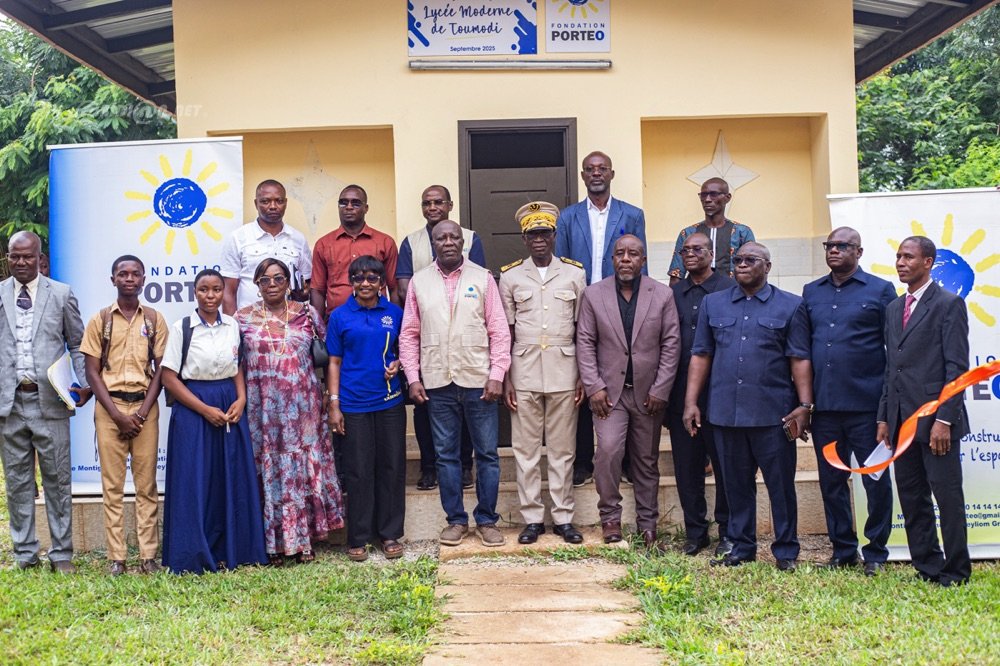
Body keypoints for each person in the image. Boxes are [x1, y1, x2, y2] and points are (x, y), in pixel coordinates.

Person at [684, 242, 812, 571]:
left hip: (774, 415)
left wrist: (805, 405)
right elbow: (701, 355)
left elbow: (799, 358)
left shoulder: (791, 305)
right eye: (738, 260)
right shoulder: (714, 304)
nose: (742, 265)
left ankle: (786, 551)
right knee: (736, 486)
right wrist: (691, 402)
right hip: (726, 413)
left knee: (780, 487)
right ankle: (742, 547)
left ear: (767, 267)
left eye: (750, 260)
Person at [399, 220, 512, 547]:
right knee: (446, 455)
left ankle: (487, 519)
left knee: (487, 454)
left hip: (479, 381)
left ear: (463, 242)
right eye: (441, 237)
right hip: (437, 382)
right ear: (433, 242)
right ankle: (456, 520)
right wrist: (412, 377)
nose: (448, 242)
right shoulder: (420, 281)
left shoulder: (483, 278)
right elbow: (408, 335)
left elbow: (499, 331)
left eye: (454, 237)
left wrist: (497, 375)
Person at [235, 259, 344, 566]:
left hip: (303, 407)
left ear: (288, 282)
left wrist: (329, 396)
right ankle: (272, 544)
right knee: (270, 472)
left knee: (300, 473)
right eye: (265, 280)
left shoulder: (306, 313)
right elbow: (234, 364)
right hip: (262, 411)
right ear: (256, 284)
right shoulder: (241, 319)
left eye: (278, 278)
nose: (272, 285)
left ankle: (303, 541)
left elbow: (327, 355)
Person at [160, 269, 268, 574]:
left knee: (228, 475)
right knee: (195, 478)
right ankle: (193, 552)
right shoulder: (183, 327)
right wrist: (204, 410)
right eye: (204, 290)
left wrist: (241, 399)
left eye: (217, 290)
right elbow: (169, 377)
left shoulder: (232, 325)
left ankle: (230, 549)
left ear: (224, 292)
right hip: (193, 405)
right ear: (195, 292)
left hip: (228, 402)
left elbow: (237, 366)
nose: (211, 296)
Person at [877, 236, 971, 587]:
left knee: (948, 499)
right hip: (902, 424)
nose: (900, 262)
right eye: (898, 256)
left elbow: (957, 369)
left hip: (936, 424)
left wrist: (944, 419)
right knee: (912, 497)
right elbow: (892, 368)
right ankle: (928, 566)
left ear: (928, 262)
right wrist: (885, 417)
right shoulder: (893, 308)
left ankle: (957, 571)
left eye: (908, 257)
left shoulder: (948, 304)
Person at [576, 235, 680, 549]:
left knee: (646, 461)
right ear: (612, 259)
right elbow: (584, 343)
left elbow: (671, 344)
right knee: (607, 452)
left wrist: (661, 389)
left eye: (633, 253)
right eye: (620, 253)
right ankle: (610, 518)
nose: (625, 258)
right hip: (609, 395)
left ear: (643, 260)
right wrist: (593, 387)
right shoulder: (593, 295)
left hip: (649, 395)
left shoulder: (662, 295)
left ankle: (648, 525)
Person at [803, 227, 896, 576]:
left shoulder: (880, 290)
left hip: (868, 408)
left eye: (842, 246)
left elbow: (894, 349)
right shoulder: (811, 292)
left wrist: (887, 408)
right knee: (831, 482)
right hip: (825, 409)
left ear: (859, 251)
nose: (834, 251)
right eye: (829, 246)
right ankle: (843, 550)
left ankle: (876, 552)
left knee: (875, 482)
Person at [554, 151, 647, 488]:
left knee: (621, 378)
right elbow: (561, 265)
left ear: (611, 173)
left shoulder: (632, 214)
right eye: (590, 170)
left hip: (619, 306)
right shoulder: (567, 217)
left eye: (602, 169)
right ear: (582, 176)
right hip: (578, 306)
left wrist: (637, 308)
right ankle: (582, 462)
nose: (596, 174)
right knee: (581, 381)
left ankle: (623, 459)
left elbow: (640, 263)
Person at [0, 231, 91, 573]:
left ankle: (62, 553)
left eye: (27, 257)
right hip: (9, 405)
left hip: (50, 402)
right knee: (18, 481)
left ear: (40, 258)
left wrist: (83, 384)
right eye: (14, 257)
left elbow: (78, 343)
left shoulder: (61, 294)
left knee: (57, 479)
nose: (21, 263)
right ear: (8, 258)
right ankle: (24, 553)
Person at [499, 202, 587, 545]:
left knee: (564, 450)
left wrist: (582, 373)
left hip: (565, 370)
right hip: (524, 372)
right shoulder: (509, 276)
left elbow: (582, 327)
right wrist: (505, 376)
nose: (539, 240)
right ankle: (533, 518)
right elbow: (505, 330)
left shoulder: (574, 274)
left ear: (554, 236)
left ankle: (564, 518)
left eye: (544, 233)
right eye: (532, 234)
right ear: (524, 239)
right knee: (526, 450)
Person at [81, 255, 168, 576]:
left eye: (135, 274)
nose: (129, 279)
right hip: (109, 410)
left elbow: (162, 371)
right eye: (122, 274)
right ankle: (117, 557)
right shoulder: (100, 320)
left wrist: (142, 413)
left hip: (145, 409)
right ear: (113, 279)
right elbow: (92, 372)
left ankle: (148, 557)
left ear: (144, 279)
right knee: (112, 486)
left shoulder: (155, 320)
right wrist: (118, 416)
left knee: (146, 486)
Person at [396, 185, 479, 491]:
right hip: (425, 332)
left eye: (438, 202)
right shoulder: (411, 242)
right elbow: (404, 288)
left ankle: (465, 465)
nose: (432, 207)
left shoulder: (471, 239)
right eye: (426, 203)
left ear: (450, 205)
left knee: (468, 401)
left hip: (463, 335)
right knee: (424, 404)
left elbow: (478, 279)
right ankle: (429, 466)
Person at [327, 256, 406, 562]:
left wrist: (397, 365)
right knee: (358, 471)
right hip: (354, 403)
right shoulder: (340, 316)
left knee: (392, 466)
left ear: (382, 282)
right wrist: (334, 405)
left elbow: (403, 350)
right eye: (359, 278)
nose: (365, 284)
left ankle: (389, 534)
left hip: (389, 401)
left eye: (372, 278)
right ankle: (358, 536)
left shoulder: (394, 313)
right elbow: (333, 361)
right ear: (351, 282)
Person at [664, 233, 735, 557]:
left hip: (719, 393)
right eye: (685, 250)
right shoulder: (673, 295)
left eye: (697, 249)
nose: (690, 254)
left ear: (711, 253)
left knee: (724, 466)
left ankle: (728, 532)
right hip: (681, 393)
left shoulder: (729, 290)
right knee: (687, 467)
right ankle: (696, 532)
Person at [221, 180, 312, 314]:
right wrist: (233, 329)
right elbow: (228, 292)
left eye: (279, 201)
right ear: (256, 203)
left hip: (290, 323)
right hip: (250, 324)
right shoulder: (238, 238)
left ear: (285, 203)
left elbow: (307, 286)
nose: (273, 206)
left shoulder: (298, 239)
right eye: (265, 201)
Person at [311, 185, 399, 319]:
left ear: (366, 208)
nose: (349, 207)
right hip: (337, 322)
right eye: (343, 203)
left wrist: (394, 322)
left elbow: (395, 288)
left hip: (377, 320)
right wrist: (319, 327)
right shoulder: (323, 244)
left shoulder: (385, 242)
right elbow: (317, 290)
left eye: (356, 203)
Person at [668, 178, 755, 284]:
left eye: (714, 194)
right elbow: (676, 274)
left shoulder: (742, 232)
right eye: (703, 195)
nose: (707, 199)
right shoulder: (688, 233)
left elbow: (752, 270)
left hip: (733, 295)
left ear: (727, 198)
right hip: (696, 295)